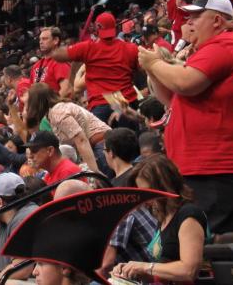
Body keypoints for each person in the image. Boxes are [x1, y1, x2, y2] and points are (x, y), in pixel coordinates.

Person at [138, 0, 233, 233]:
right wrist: (154, 70)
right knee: (206, 250)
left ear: (216, 20)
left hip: (229, 168)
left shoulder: (227, 43)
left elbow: (185, 82)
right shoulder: (207, 50)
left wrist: (155, 64)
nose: (188, 23)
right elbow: (172, 98)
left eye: (195, 16)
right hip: (209, 168)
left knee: (225, 248)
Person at [112, 154, 207, 283]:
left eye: (147, 192)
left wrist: (145, 267)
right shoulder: (163, 216)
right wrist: (132, 271)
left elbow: (189, 271)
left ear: (164, 186)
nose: (145, 200)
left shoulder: (188, 215)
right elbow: (165, 272)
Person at [53, 12, 139, 124]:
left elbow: (58, 55)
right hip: (125, 103)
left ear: (96, 30)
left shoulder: (88, 48)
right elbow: (143, 70)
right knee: (130, 140)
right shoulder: (131, 48)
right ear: (116, 29)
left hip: (101, 105)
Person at [101, 128, 156, 272]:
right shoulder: (141, 173)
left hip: (143, 263)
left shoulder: (118, 192)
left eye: (104, 149)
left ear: (111, 152)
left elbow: (108, 259)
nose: (103, 153)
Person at [26, 83, 110, 175]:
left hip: (102, 147)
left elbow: (81, 140)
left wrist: (94, 172)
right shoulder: (55, 111)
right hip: (99, 146)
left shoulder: (58, 113)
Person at [0, 173, 38, 283]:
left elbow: (22, 270)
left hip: (37, 281)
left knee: (9, 282)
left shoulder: (26, 216)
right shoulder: (2, 222)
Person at [30, 27, 71, 97]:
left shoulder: (60, 62)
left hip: (55, 106)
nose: (40, 42)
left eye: (45, 39)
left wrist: (52, 106)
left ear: (56, 40)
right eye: (40, 39)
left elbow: (66, 90)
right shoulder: (35, 66)